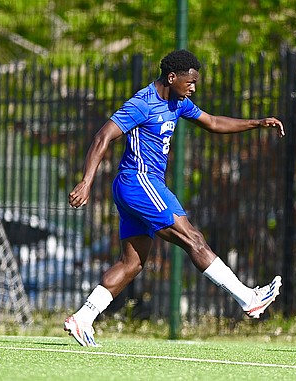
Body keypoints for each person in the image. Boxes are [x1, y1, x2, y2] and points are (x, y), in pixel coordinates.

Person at [64, 49, 284, 347]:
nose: (193, 87)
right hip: (139, 181)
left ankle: (82, 318)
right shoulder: (143, 103)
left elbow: (214, 123)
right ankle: (248, 298)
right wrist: (86, 182)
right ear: (172, 77)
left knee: (132, 263)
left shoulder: (178, 103)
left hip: (134, 187)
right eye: (190, 82)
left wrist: (256, 123)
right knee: (193, 238)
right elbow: (103, 137)